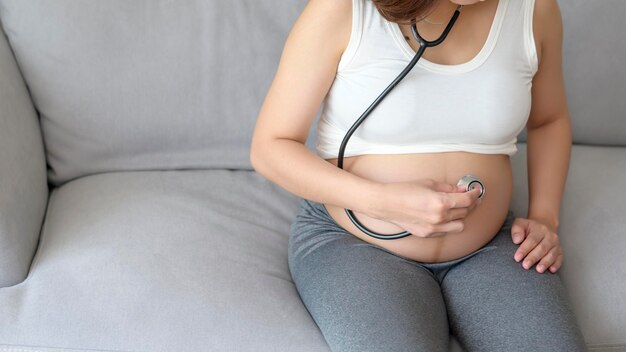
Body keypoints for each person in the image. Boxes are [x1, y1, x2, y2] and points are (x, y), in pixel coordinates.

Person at [250, 0, 587, 350]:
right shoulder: (341, 9)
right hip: (355, 243)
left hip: (491, 244)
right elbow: (270, 148)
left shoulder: (535, 10)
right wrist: (381, 202)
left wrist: (545, 216)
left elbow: (549, 119)